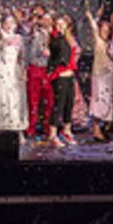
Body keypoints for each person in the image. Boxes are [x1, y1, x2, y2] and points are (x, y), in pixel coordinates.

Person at [0, 13, 28, 132]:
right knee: (3, 97)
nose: (9, 25)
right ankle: (0, 126)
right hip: (3, 70)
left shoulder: (19, 38)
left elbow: (21, 56)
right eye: (7, 23)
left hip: (14, 70)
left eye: (12, 23)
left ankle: (16, 127)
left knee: (15, 98)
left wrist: (22, 70)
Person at [85, 0, 113, 141]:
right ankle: (96, 131)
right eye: (103, 29)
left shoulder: (109, 44)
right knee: (98, 102)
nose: (105, 32)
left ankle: (103, 128)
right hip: (98, 76)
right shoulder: (98, 41)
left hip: (108, 76)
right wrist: (93, 17)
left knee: (107, 103)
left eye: (107, 31)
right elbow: (93, 27)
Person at [25, 9, 54, 140]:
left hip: (47, 71)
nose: (47, 22)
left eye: (50, 19)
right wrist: (43, 51)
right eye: (45, 19)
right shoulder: (37, 35)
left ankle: (47, 128)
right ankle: (31, 128)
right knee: (33, 100)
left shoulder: (53, 35)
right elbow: (32, 54)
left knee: (48, 101)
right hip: (36, 69)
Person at [48, 14, 76, 147]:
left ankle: (67, 131)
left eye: (62, 24)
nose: (60, 26)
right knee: (58, 106)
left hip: (70, 76)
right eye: (57, 25)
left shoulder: (69, 38)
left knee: (69, 104)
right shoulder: (56, 40)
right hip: (59, 77)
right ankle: (53, 135)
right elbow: (53, 53)